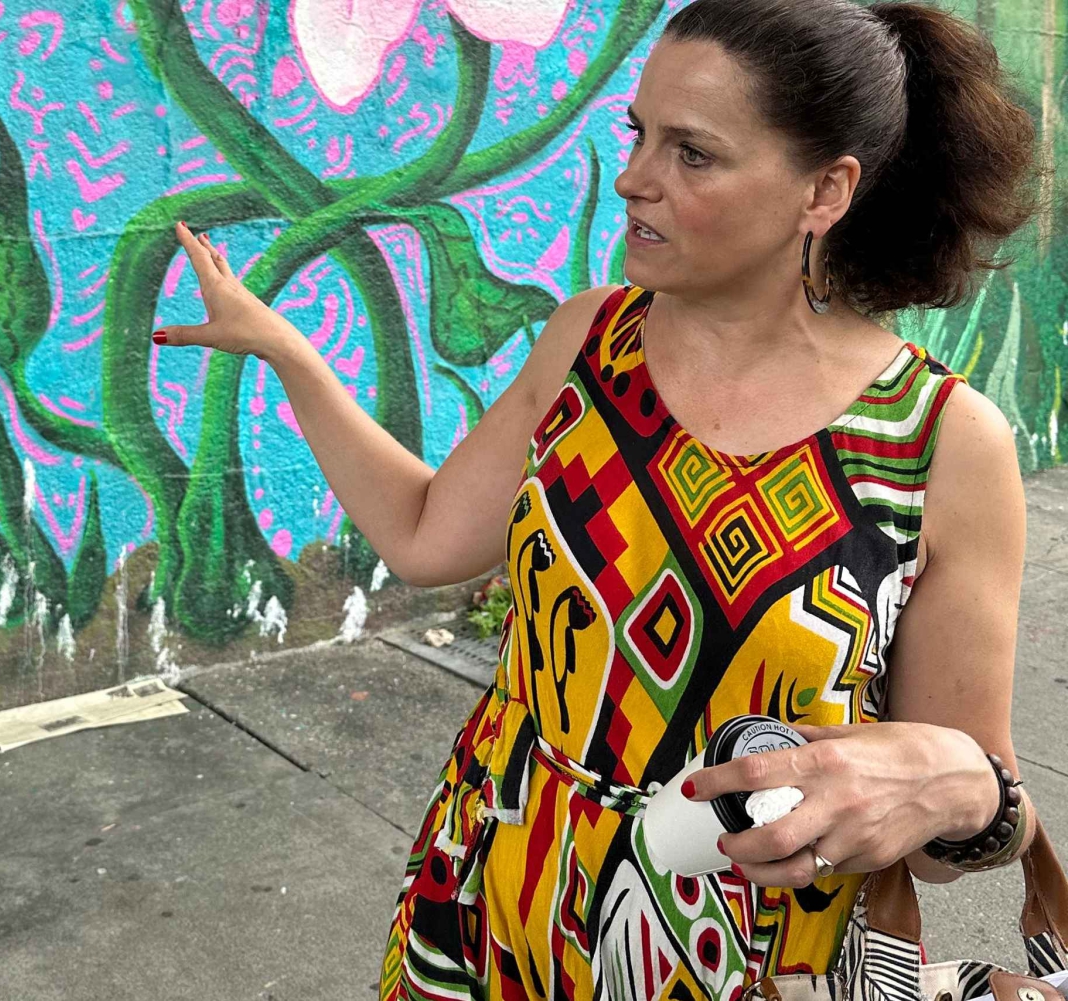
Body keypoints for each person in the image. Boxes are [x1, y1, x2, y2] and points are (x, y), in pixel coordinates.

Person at [151, 0, 1054, 997]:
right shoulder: (589, 342)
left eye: (693, 153)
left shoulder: (940, 445)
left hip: (746, 959)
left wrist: (960, 789)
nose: (634, 178)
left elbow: (951, 823)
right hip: (494, 901)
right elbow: (423, 534)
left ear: (825, 190)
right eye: (638, 134)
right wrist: (286, 351)